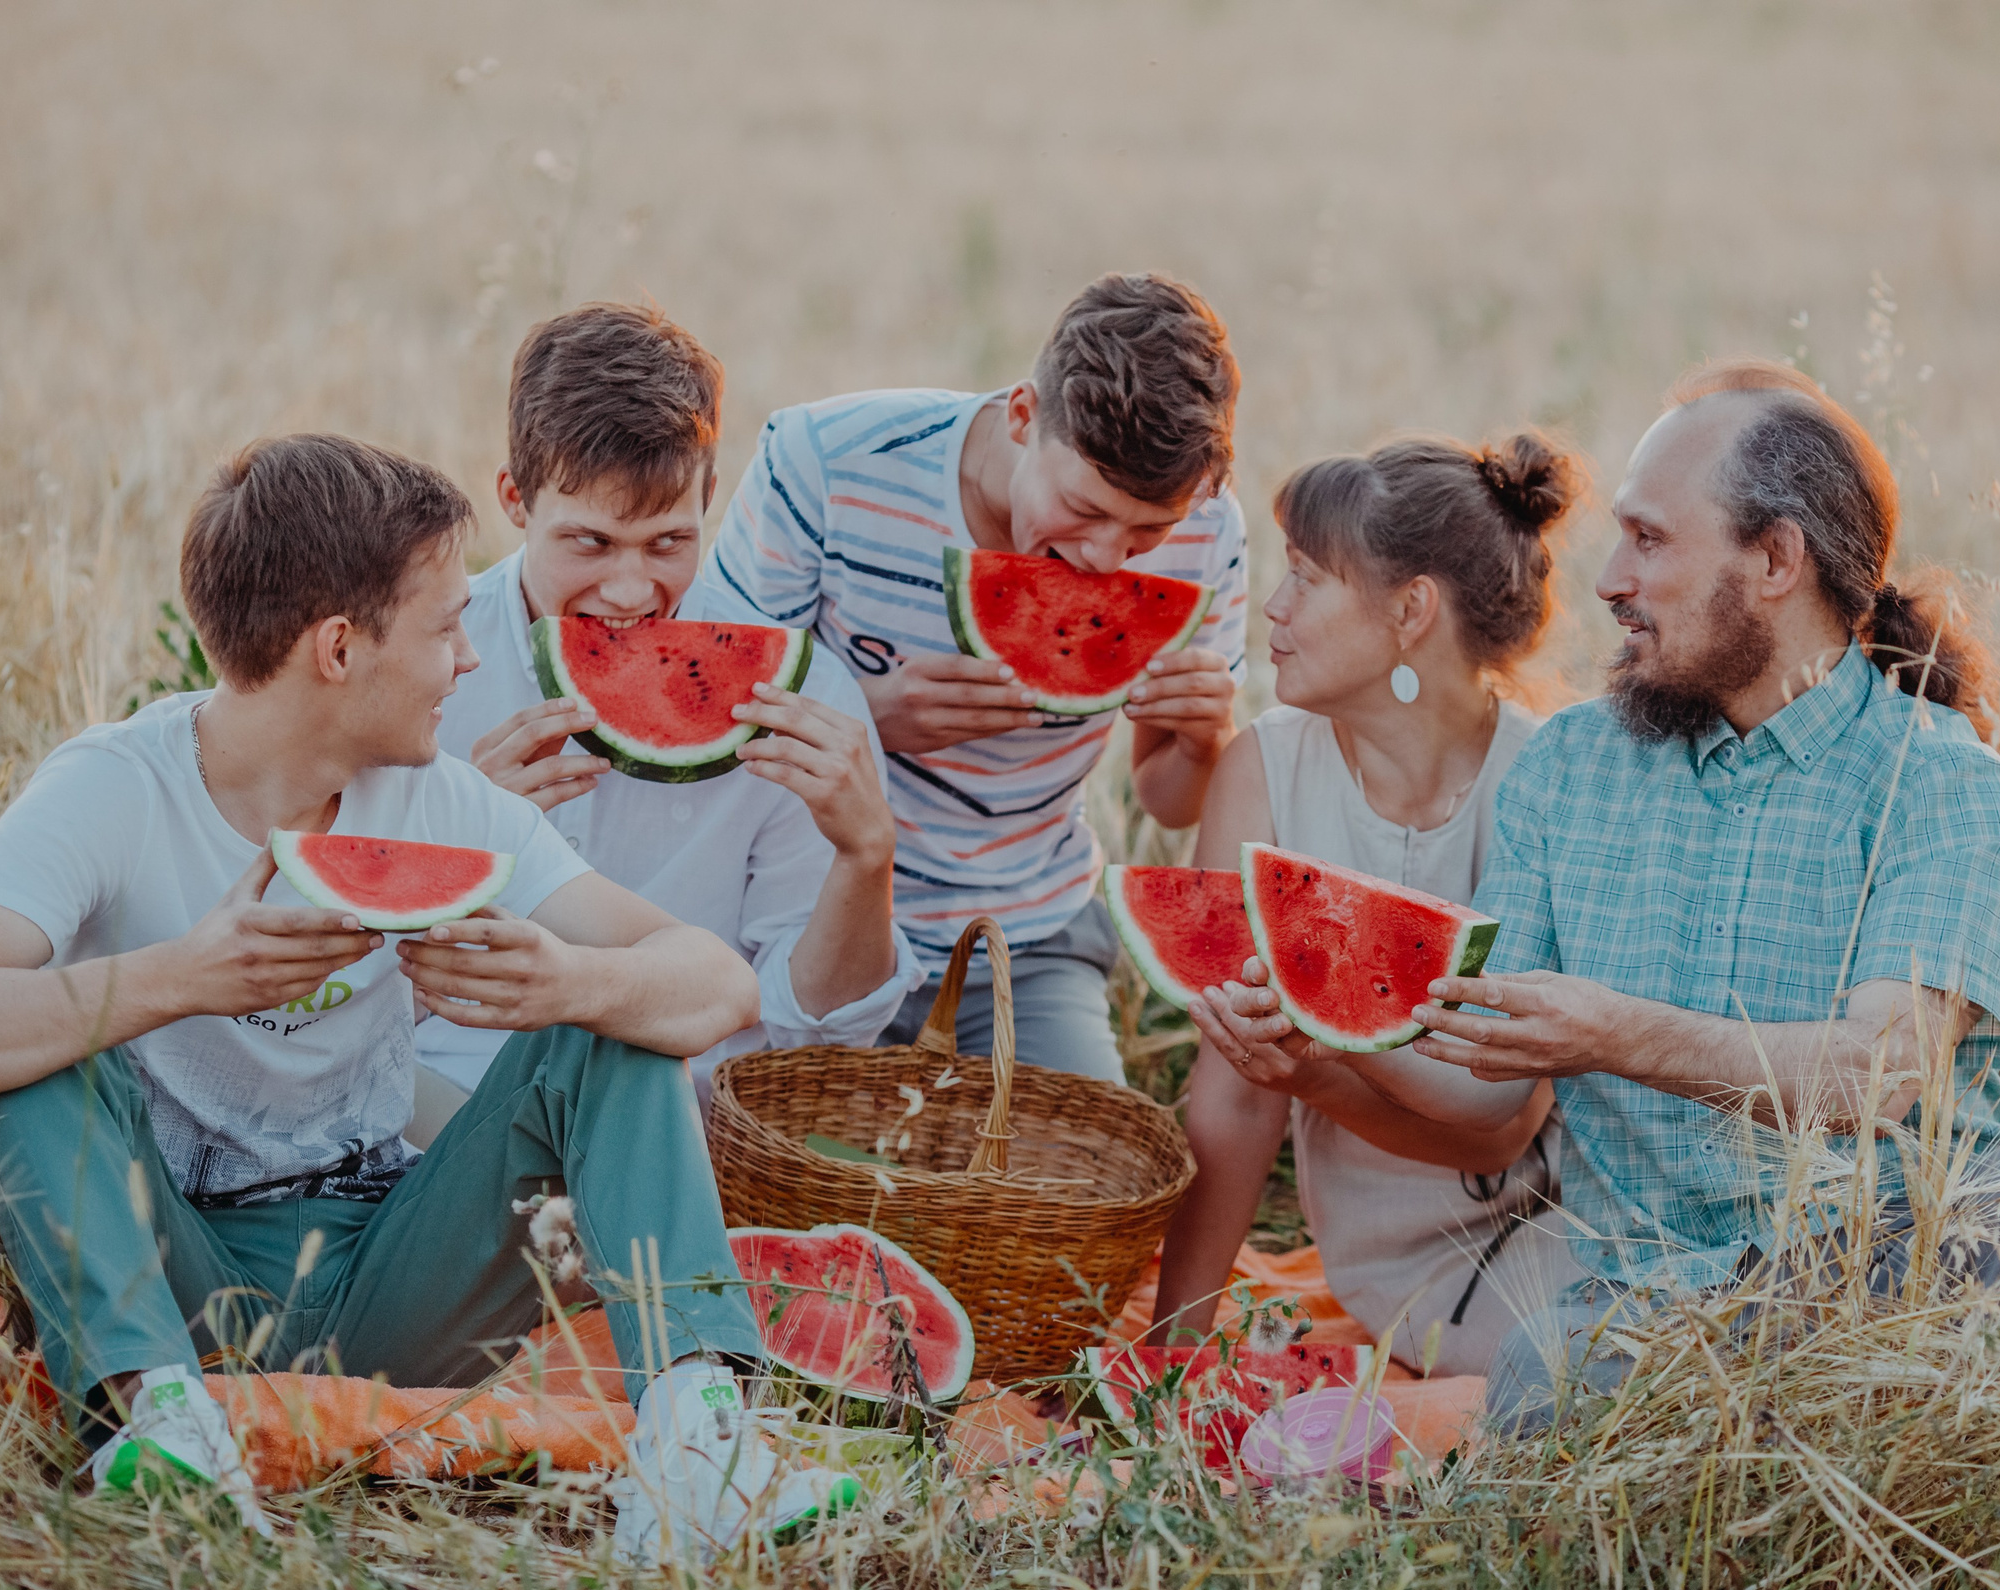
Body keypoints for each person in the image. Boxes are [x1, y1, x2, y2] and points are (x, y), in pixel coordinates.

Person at [1208, 362, 2000, 1590]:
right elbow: (1488, 1088)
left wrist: (1620, 1034)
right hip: (1641, 1313)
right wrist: (1310, 1052)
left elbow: (1878, 1072)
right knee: (1547, 1362)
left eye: (1648, 541)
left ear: (1774, 562)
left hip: (1884, 1286)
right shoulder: (1573, 772)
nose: (1607, 582)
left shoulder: (1949, 794)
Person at [0, 435, 802, 1563]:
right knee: (35, 1038)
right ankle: (154, 1426)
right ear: (338, 648)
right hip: (172, 1270)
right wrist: (181, 979)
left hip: (390, 1273)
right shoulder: (113, 787)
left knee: (615, 1025)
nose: (470, 659)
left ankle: (698, 1446)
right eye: (444, 626)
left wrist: (571, 980)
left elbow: (718, 982)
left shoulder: (447, 803)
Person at [691, 273, 1248, 1082]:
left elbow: (1168, 798)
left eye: (1147, 531)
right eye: (1084, 508)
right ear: (1023, 416)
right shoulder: (823, 462)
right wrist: (870, 716)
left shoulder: (1208, 524)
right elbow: (712, 710)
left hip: (1028, 934)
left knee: (1078, 1200)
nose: (1104, 558)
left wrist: (1204, 739)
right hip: (806, 918)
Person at [1148, 432, 1590, 1375]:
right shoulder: (1264, 770)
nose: (1273, 605)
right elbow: (1232, 1093)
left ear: (1410, 611)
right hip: (1388, 1254)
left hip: (1575, 1213)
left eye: (1306, 576)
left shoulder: (1549, 779)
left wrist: (1314, 1066)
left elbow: (1505, 1120)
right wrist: (1171, 1349)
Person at [427, 302, 920, 1106]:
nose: (629, 591)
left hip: (683, 1117)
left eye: (668, 543)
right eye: (589, 543)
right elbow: (331, 999)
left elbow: (819, 1033)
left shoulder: (799, 695)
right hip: (451, 1097)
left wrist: (868, 857)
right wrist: (450, 855)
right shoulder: (423, 671)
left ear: (710, 496)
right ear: (515, 498)